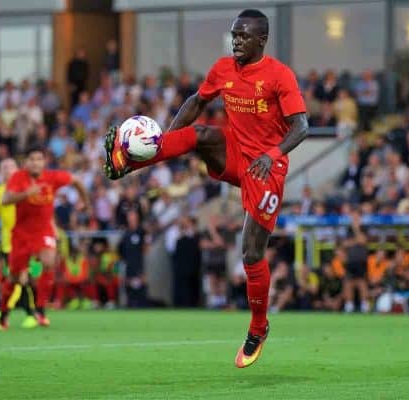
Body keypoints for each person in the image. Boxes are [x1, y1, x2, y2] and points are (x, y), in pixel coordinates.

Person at [102, 9, 309, 368]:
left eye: (244, 36)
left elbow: (301, 126)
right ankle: (132, 161)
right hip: (234, 152)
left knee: (250, 254)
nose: (237, 41)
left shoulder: (279, 75)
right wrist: (161, 141)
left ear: (262, 40)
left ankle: (259, 327)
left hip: (267, 169)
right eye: (234, 35)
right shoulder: (223, 69)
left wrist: (273, 153)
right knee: (199, 135)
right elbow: (197, 102)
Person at [0, 146, 89, 330]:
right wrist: (26, 194)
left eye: (39, 159)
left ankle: (40, 310)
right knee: (15, 278)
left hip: (44, 231)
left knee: (49, 262)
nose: (36, 163)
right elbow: (5, 200)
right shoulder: (18, 177)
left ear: (44, 162)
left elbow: (76, 180)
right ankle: (4, 313)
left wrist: (84, 202)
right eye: (32, 159)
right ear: (26, 163)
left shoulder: (52, 177)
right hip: (21, 234)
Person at [0, 158, 38, 329]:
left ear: (17, 169)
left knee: (21, 277)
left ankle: (14, 312)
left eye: (10, 166)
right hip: (8, 243)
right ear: (0, 171)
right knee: (16, 278)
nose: (7, 170)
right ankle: (27, 314)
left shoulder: (27, 187)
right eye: (4, 167)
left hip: (28, 240)